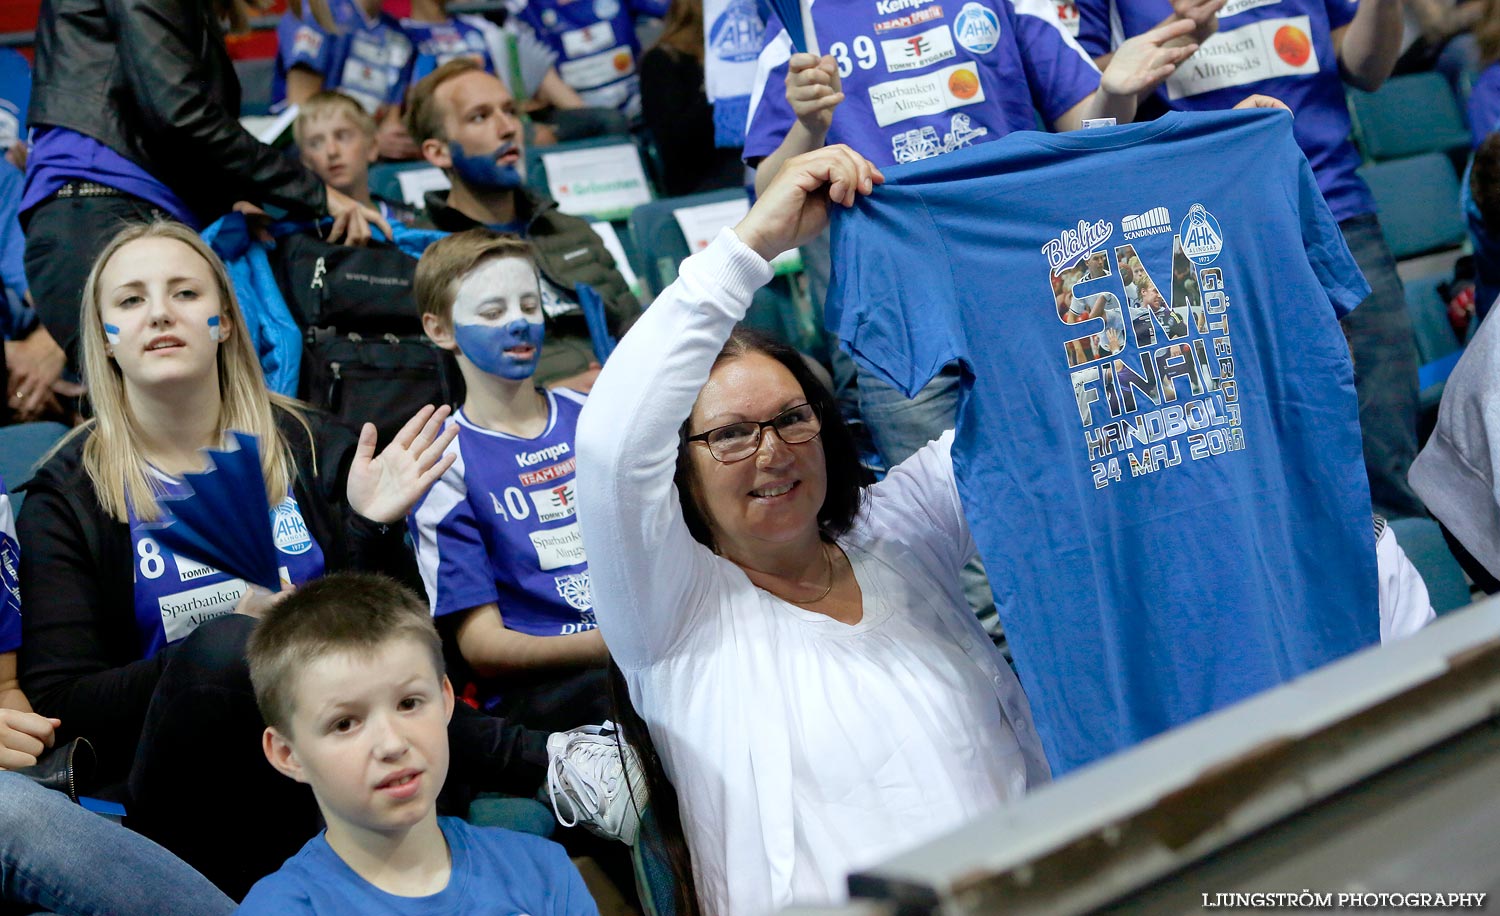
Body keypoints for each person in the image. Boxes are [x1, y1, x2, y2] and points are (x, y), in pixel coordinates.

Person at [574, 145, 1049, 915]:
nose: (772, 451)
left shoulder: (902, 536)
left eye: (793, 419)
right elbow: (609, 446)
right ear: (680, 469)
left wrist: (1123, 147)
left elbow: (1035, 408)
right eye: (730, 434)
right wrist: (752, 244)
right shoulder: (675, 614)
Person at [16, 221, 544, 898]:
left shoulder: (314, 444)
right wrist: (224, 640)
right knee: (231, 649)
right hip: (185, 803)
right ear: (105, 338)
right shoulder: (66, 494)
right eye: (130, 301)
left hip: (345, 757)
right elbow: (65, 703)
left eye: (183, 292)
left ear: (226, 322)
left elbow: (411, 646)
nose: (158, 313)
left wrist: (370, 529)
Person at [1076, 0, 1427, 520]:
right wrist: (1174, 39)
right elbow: (1089, 109)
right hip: (1198, 234)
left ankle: (1412, 591)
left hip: (1334, 208)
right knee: (1258, 473)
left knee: (1387, 457)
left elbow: (1365, 68)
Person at [22, 0, 389, 378]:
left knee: (197, 418)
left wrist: (229, 200)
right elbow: (178, 110)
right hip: (105, 215)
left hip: (118, 213)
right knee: (165, 419)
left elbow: (168, 116)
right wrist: (318, 194)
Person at [239, 573, 598, 915]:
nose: (392, 744)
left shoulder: (541, 871)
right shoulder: (279, 909)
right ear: (288, 754)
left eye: (409, 703)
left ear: (445, 700)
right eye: (345, 723)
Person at [407, 230, 610, 732]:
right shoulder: (443, 462)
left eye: (529, 304)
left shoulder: (597, 418)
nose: (519, 321)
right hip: (551, 692)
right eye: (493, 312)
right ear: (440, 330)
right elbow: (483, 648)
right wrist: (613, 643)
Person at [404, 59, 640, 392]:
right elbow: (441, 387)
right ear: (438, 152)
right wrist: (552, 396)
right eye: (480, 117)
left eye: (510, 111)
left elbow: (641, 333)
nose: (507, 128)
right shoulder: (427, 257)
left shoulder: (573, 231)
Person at [273, 0, 415, 159]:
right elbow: (302, 110)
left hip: (368, 150)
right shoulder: (316, 12)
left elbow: (391, 121)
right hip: (305, 148)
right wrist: (369, 141)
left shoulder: (399, 35)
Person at [640, 0, 747, 196]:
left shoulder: (759, 60)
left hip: (750, 169)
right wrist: (719, 89)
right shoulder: (663, 61)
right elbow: (675, 145)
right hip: (703, 184)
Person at [506, 0, 670, 121]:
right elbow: (541, 73)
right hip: (578, 114)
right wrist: (594, 121)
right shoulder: (524, 7)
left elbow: (681, 14)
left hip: (641, 101)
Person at [296, 91, 417, 226]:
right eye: (316, 143)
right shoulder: (299, 231)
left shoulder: (410, 220)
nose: (332, 151)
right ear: (306, 161)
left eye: (342, 137)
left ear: (372, 147)